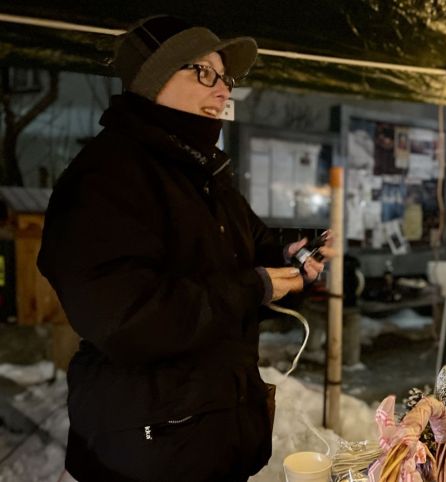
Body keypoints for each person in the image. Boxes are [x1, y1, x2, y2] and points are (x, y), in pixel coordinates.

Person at [37, 15, 332, 481]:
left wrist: (293, 253)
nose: (223, 90)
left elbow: (247, 251)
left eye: (227, 78)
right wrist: (250, 288)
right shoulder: (106, 178)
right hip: (146, 451)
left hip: (214, 436)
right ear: (153, 80)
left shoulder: (204, 174)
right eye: (205, 73)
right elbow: (126, 318)